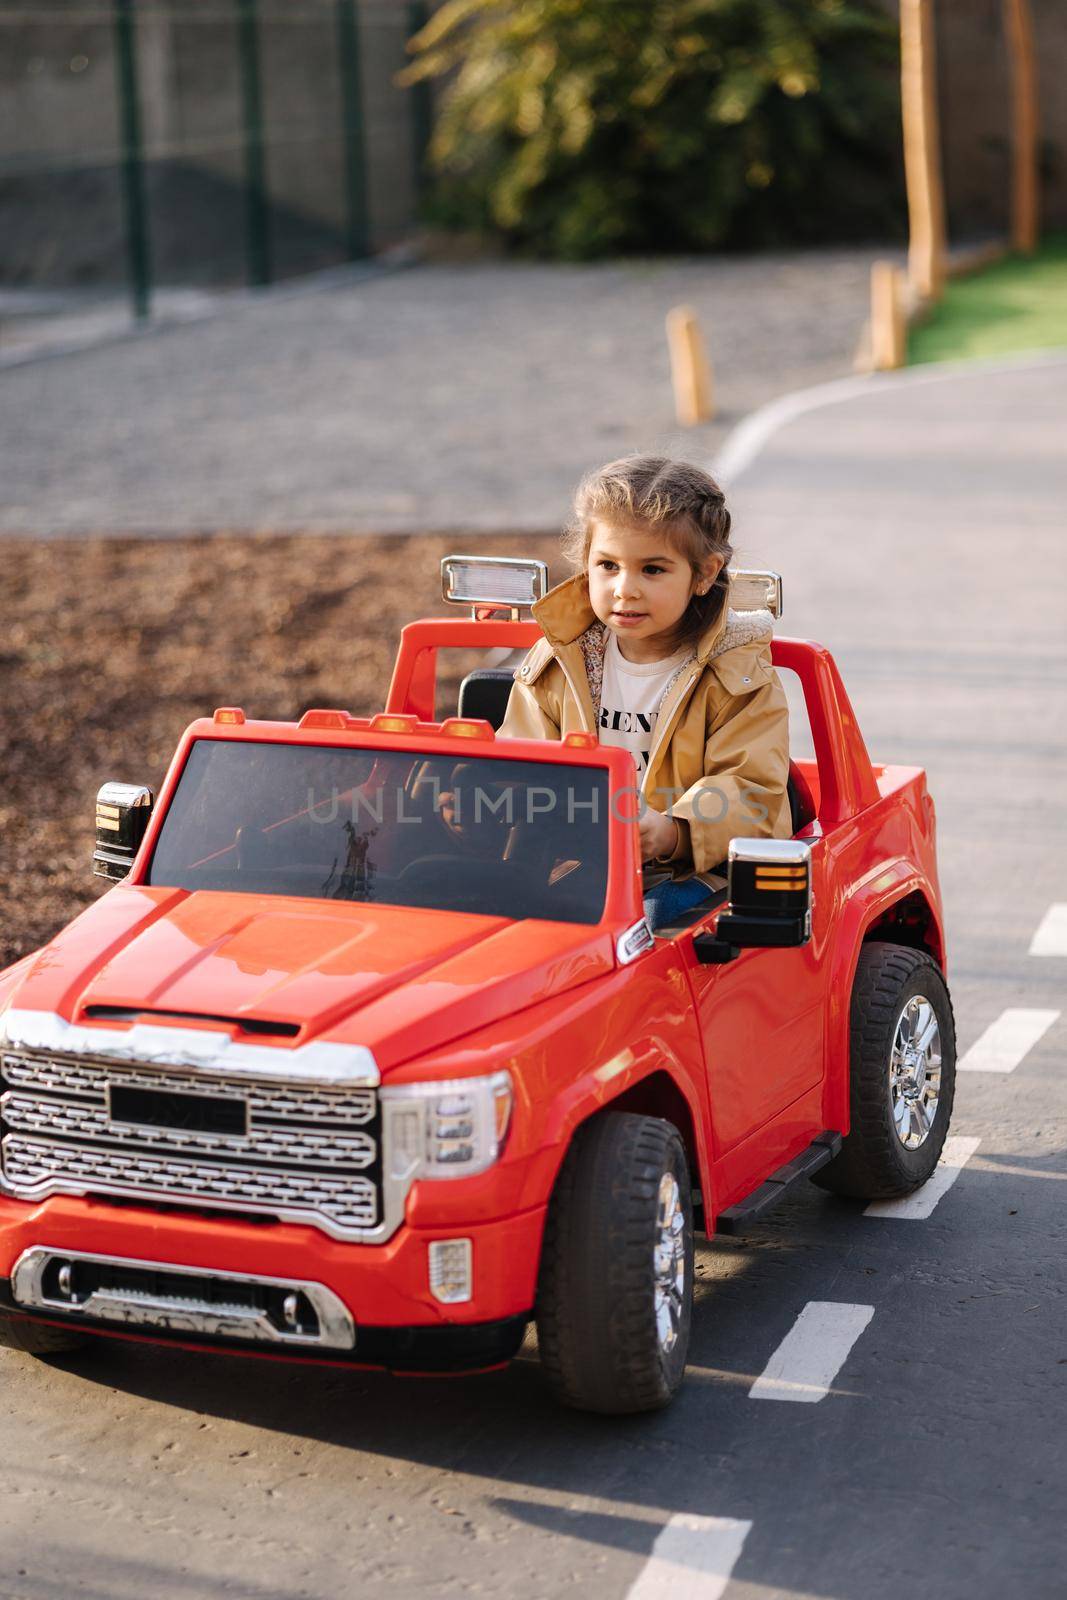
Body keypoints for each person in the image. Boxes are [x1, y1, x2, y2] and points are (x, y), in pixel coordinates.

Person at [498, 455, 793, 931]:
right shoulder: (559, 661)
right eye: (608, 565)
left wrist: (673, 831)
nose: (624, 589)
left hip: (698, 871)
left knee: (649, 928)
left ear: (703, 574)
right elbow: (520, 759)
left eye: (652, 570)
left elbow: (751, 789)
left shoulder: (737, 674)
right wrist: (483, 792)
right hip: (581, 862)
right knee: (475, 903)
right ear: (586, 565)